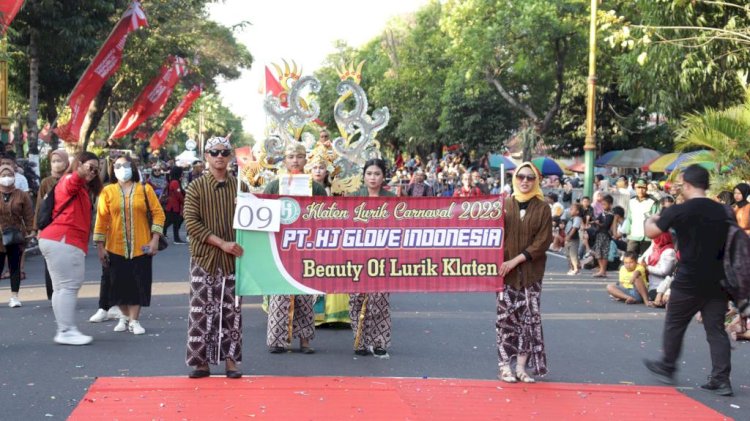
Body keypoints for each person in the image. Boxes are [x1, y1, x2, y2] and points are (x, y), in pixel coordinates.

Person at [643, 165, 733, 396]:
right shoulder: (724, 211)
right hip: (718, 280)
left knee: (675, 322)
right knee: (716, 330)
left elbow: (652, 232)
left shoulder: (679, 210)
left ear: (688, 184)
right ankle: (721, 379)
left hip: (689, 278)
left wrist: (651, 218)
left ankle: (668, 365)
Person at [183, 136, 245, 378]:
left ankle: (231, 361)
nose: (220, 156)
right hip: (204, 257)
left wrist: (249, 204)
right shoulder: (196, 187)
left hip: (235, 259)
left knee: (233, 311)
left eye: (224, 152)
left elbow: (256, 219)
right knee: (200, 312)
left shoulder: (241, 187)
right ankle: (201, 362)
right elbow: (192, 223)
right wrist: (222, 244)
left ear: (230, 156)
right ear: (206, 155)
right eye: (214, 152)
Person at [264, 142, 327, 354]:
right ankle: (277, 340)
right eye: (290, 156)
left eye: (299, 156)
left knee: (304, 293)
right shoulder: (274, 186)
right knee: (279, 294)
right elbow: (263, 212)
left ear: (305, 159)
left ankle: (305, 341)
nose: (295, 160)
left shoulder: (316, 188)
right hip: (280, 247)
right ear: (285, 159)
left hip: (306, 247)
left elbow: (327, 216)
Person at [93, 155, 165, 336]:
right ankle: (124, 317)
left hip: (142, 246)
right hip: (114, 246)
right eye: (117, 165)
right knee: (118, 284)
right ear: (112, 169)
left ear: (132, 167)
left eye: (125, 165)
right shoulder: (107, 191)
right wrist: (100, 247)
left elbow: (158, 214)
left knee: (138, 284)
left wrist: (155, 239)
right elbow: (101, 220)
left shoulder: (145, 189)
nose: (121, 168)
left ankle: (134, 320)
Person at [39, 152, 103, 345]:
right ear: (79, 164)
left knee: (60, 288)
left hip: (56, 239)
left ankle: (64, 329)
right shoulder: (70, 180)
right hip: (65, 240)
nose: (92, 172)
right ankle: (66, 330)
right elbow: (73, 180)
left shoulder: (77, 186)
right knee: (68, 286)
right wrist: (80, 172)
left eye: (96, 169)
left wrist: (83, 172)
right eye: (89, 167)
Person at [497, 162, 553, 383]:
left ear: (536, 180)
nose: (525, 181)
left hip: (530, 274)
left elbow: (542, 242)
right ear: (515, 178)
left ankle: (521, 367)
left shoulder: (543, 208)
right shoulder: (504, 205)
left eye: (530, 177)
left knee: (529, 321)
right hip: (505, 274)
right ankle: (505, 366)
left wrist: (516, 260)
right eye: (521, 177)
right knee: (505, 321)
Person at [347, 158, 395, 358]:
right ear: (363, 176)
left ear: (383, 177)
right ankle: (359, 341)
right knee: (356, 298)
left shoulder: (392, 199)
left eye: (377, 174)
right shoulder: (353, 197)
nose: (373, 177)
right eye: (369, 174)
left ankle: (379, 342)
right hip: (356, 255)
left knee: (380, 299)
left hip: (383, 256)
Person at [34, 149, 70, 301]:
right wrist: (37, 228)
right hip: (49, 227)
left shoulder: (71, 180)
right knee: (50, 262)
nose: (56, 164)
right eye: (53, 161)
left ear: (66, 162)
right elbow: (39, 206)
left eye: (59, 160)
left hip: (68, 226)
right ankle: (53, 292)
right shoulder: (46, 182)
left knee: (67, 261)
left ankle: (66, 292)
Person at [0, 163, 34, 308]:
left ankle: (14, 296)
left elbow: (28, 214)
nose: (6, 178)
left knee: (15, 266)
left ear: (14, 177)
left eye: (9, 175)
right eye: (3, 175)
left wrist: (31, 230)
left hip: (15, 234)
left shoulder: (22, 194)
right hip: (0, 236)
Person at [638, 232, 677, 307]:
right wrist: (644, 265)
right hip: (650, 283)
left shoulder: (669, 251)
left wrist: (647, 267)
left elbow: (664, 271)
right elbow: (641, 259)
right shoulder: (654, 247)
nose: (653, 240)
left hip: (660, 285)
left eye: (655, 238)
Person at [625, 179, 659, 256]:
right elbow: (629, 217)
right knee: (630, 257)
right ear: (635, 188)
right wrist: (628, 230)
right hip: (633, 234)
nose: (641, 190)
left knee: (645, 258)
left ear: (646, 188)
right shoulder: (632, 201)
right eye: (638, 187)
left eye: (643, 187)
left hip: (647, 236)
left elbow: (655, 219)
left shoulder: (653, 202)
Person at [590, 194, 615, 278]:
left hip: (605, 235)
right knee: (598, 252)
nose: (603, 206)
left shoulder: (610, 214)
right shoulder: (603, 213)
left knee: (604, 253)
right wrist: (594, 221)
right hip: (599, 234)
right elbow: (598, 219)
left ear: (610, 204)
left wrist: (598, 223)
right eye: (602, 204)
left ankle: (603, 270)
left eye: (605, 204)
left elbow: (606, 225)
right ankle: (601, 269)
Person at [163, 167, 186, 244]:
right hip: (173, 206)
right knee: (173, 222)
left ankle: (164, 235)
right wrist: (184, 202)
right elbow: (178, 195)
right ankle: (176, 239)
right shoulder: (175, 182)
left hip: (172, 206)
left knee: (170, 222)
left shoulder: (173, 181)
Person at [563, 203, 582, 275]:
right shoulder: (571, 218)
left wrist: (569, 236)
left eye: (572, 209)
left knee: (573, 254)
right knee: (568, 255)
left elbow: (574, 228)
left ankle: (576, 269)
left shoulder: (577, 218)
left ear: (577, 211)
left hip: (573, 239)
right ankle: (572, 268)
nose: (570, 211)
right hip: (568, 238)